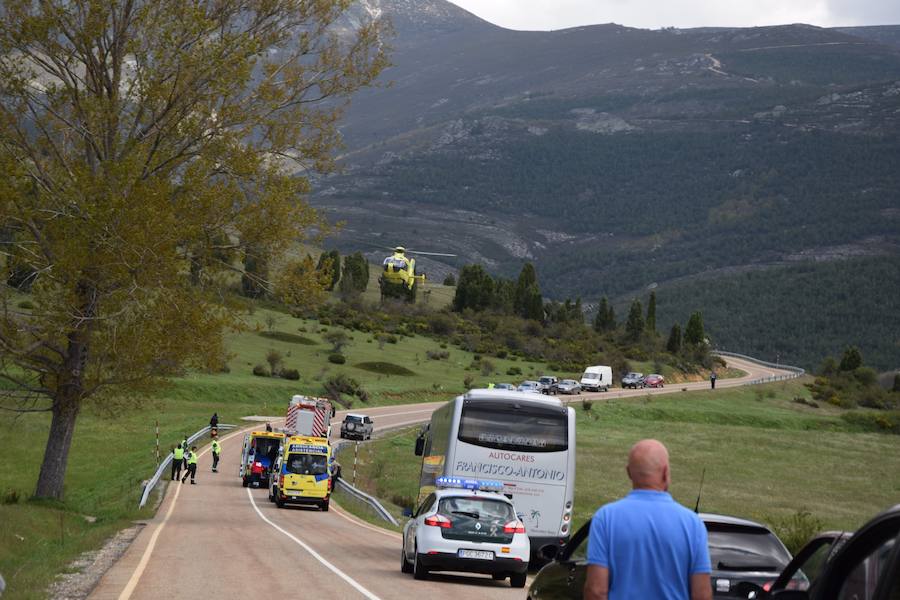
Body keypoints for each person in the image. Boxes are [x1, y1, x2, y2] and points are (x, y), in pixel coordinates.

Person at [584, 439, 711, 600]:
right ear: (665, 472)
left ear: (629, 473)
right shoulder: (693, 524)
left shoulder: (605, 519)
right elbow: (701, 594)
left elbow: (596, 591)